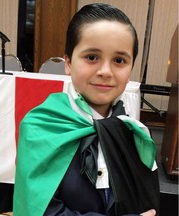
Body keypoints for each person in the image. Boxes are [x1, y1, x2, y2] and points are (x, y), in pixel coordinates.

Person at [13, 3, 159, 216]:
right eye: (92, 57)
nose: (106, 71)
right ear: (69, 62)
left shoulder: (132, 131)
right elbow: (39, 211)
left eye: (119, 60)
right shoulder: (40, 128)